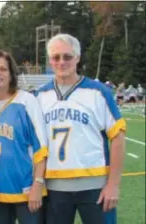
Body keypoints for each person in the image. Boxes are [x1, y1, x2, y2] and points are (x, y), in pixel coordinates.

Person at [35, 33, 126, 224]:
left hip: (96, 187)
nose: (62, 62)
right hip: (54, 188)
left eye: (67, 56)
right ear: (50, 60)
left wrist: (113, 185)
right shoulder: (40, 96)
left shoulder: (98, 92)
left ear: (77, 58)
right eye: (56, 57)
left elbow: (118, 138)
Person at [0, 50, 48, 224]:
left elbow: (41, 146)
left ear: (11, 74)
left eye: (3, 69)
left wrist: (37, 185)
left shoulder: (26, 101)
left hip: (25, 189)